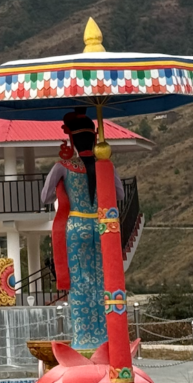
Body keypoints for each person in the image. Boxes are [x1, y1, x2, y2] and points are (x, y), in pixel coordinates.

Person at [41, 108, 125, 351]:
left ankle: (84, 339)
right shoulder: (106, 165)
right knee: (103, 280)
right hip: (102, 227)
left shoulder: (63, 166)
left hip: (76, 227)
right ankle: (105, 338)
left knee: (80, 282)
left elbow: (45, 197)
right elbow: (118, 194)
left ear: (72, 141)